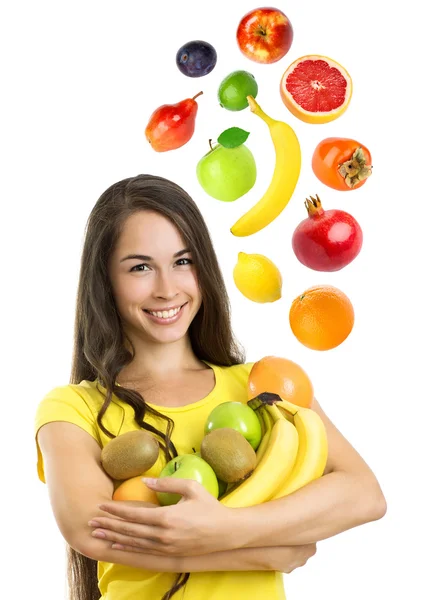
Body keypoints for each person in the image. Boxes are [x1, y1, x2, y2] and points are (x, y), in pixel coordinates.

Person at [34, 174, 387, 600]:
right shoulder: (74, 407)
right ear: (105, 279)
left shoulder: (263, 386)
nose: (167, 289)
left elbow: (365, 494)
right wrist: (261, 553)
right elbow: (90, 532)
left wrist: (229, 528)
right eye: (141, 267)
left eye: (183, 262)